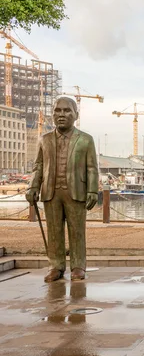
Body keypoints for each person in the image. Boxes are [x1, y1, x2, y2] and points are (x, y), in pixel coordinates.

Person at [26, 96, 99, 283]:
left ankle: (78, 266)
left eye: (67, 111)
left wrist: (92, 191)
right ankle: (56, 266)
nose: (61, 115)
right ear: (52, 115)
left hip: (76, 191)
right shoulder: (44, 139)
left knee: (77, 230)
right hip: (50, 192)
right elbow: (38, 166)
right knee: (54, 230)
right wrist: (33, 186)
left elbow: (92, 168)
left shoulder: (85, 140)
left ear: (76, 114)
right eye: (57, 111)